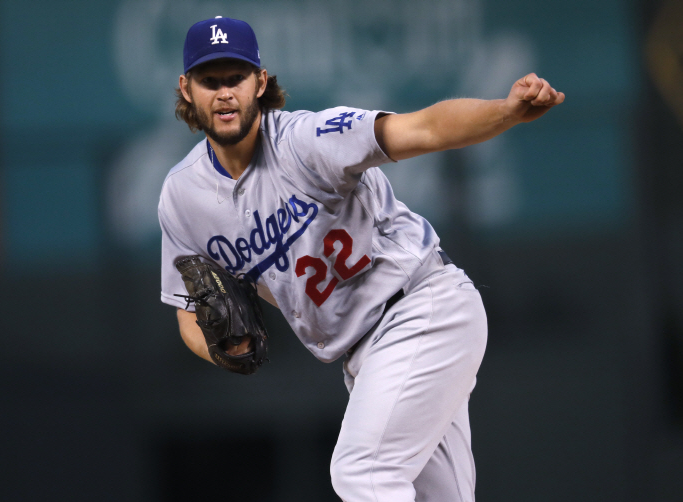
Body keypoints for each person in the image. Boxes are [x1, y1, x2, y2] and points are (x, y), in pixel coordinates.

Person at [159, 16, 564, 502]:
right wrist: (224, 349)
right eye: (210, 80)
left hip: (421, 308)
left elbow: (424, 127)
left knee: (361, 471)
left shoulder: (307, 141)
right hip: (367, 358)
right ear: (187, 89)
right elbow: (187, 311)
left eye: (236, 77)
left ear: (260, 83)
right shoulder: (182, 196)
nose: (225, 93)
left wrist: (505, 112)